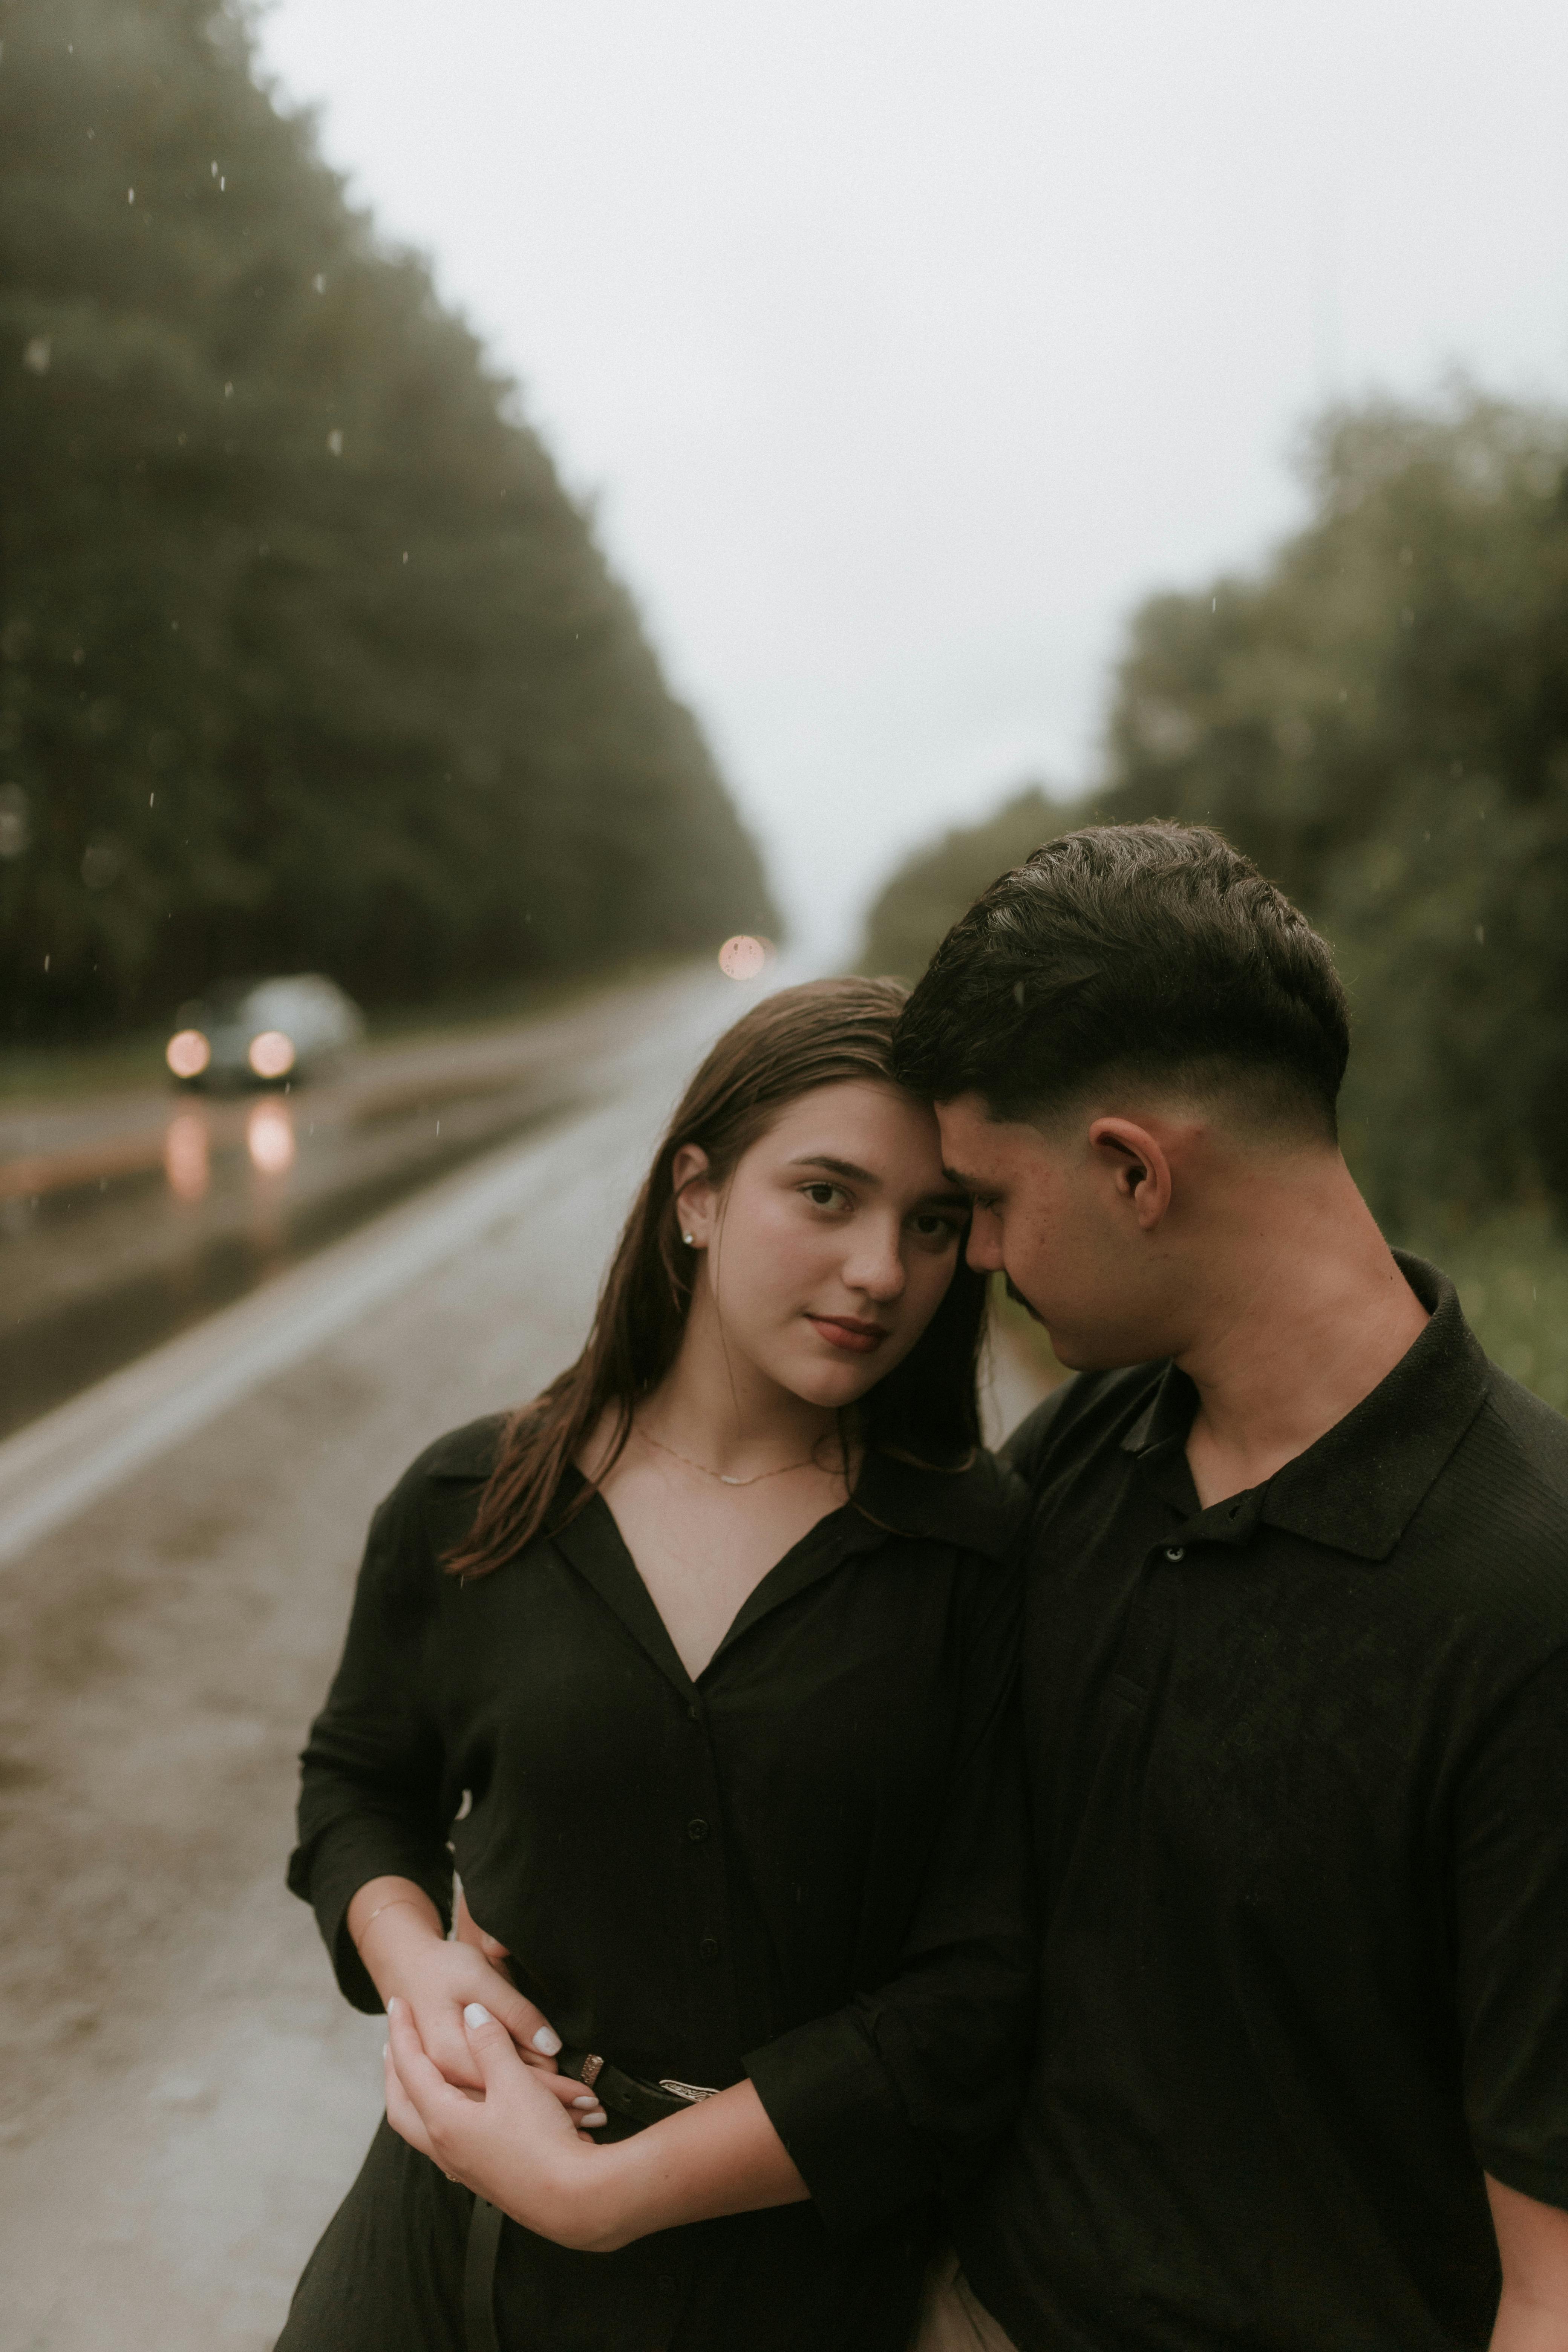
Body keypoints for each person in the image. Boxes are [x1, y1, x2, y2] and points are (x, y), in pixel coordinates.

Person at [885, 821, 1568, 2352]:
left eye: (988, 1197)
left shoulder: (1533, 1598)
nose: (978, 1255)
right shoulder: (1087, 1449)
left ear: (1131, 1169)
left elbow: (1553, 2285)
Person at [279, 976, 1032, 2352]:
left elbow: (974, 1997)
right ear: (697, 1192)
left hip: (786, 2283)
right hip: (439, 2257)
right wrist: (411, 1956)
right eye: (825, 1195)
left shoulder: (974, 1561)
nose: (881, 1270)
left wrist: (611, 2196)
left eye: (932, 1224)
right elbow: (357, 1786)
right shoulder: (473, 1501)